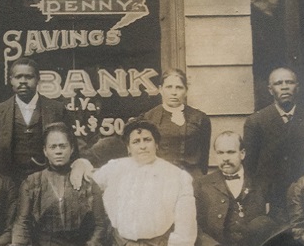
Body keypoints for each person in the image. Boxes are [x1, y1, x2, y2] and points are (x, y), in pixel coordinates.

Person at [82, 69, 211, 176]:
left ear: (186, 90)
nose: (174, 92)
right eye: (169, 87)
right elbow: (124, 141)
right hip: (159, 176)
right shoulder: (148, 118)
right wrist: (85, 160)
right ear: (161, 89)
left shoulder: (200, 119)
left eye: (179, 87)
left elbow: (204, 158)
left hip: (192, 178)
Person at [242, 67, 304, 219]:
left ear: (297, 87)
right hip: (271, 200)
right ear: (270, 89)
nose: (285, 86)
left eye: (289, 82)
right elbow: (249, 167)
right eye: (279, 83)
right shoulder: (256, 122)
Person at [0, 58, 66, 183]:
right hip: (10, 182)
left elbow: (72, 145)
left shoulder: (57, 109)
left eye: (29, 77)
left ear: (38, 79)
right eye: (18, 77)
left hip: (48, 180)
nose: (23, 81)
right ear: (11, 79)